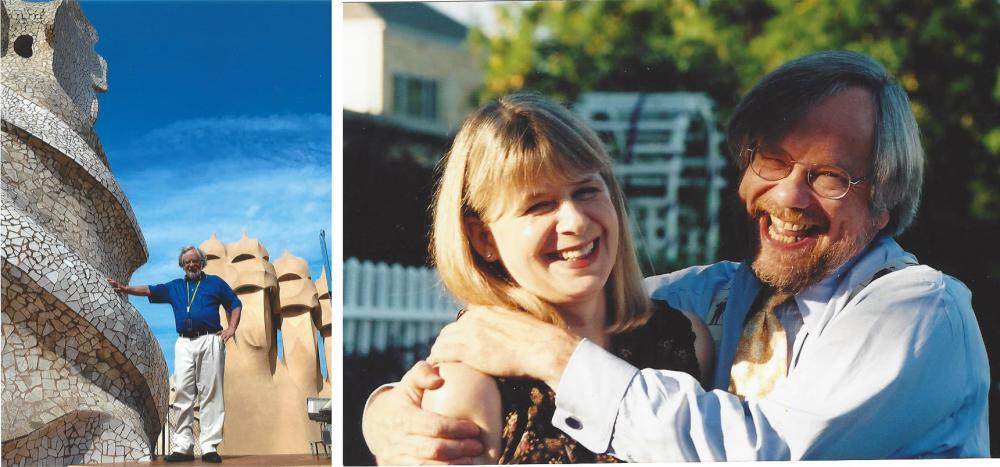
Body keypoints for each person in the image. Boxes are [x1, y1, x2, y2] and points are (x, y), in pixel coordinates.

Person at [362, 51, 990, 462]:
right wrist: (385, 415)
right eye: (771, 160)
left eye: (830, 175)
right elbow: (595, 308)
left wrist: (548, 355)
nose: (788, 195)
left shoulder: (915, 311)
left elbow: (771, 453)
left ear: (883, 200)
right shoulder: (711, 300)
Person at [417, 92, 714, 463]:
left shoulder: (685, 340)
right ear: (483, 238)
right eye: (539, 205)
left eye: (586, 190)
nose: (575, 221)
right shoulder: (468, 389)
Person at [108, 245, 242, 463]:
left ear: (202, 263)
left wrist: (232, 328)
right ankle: (183, 446)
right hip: (184, 342)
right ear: (182, 265)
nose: (191, 264)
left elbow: (235, 304)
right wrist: (125, 288)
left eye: (194, 261)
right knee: (182, 393)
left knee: (211, 393)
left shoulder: (214, 282)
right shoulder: (175, 286)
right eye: (187, 261)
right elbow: (150, 289)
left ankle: (209, 446)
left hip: (210, 339)